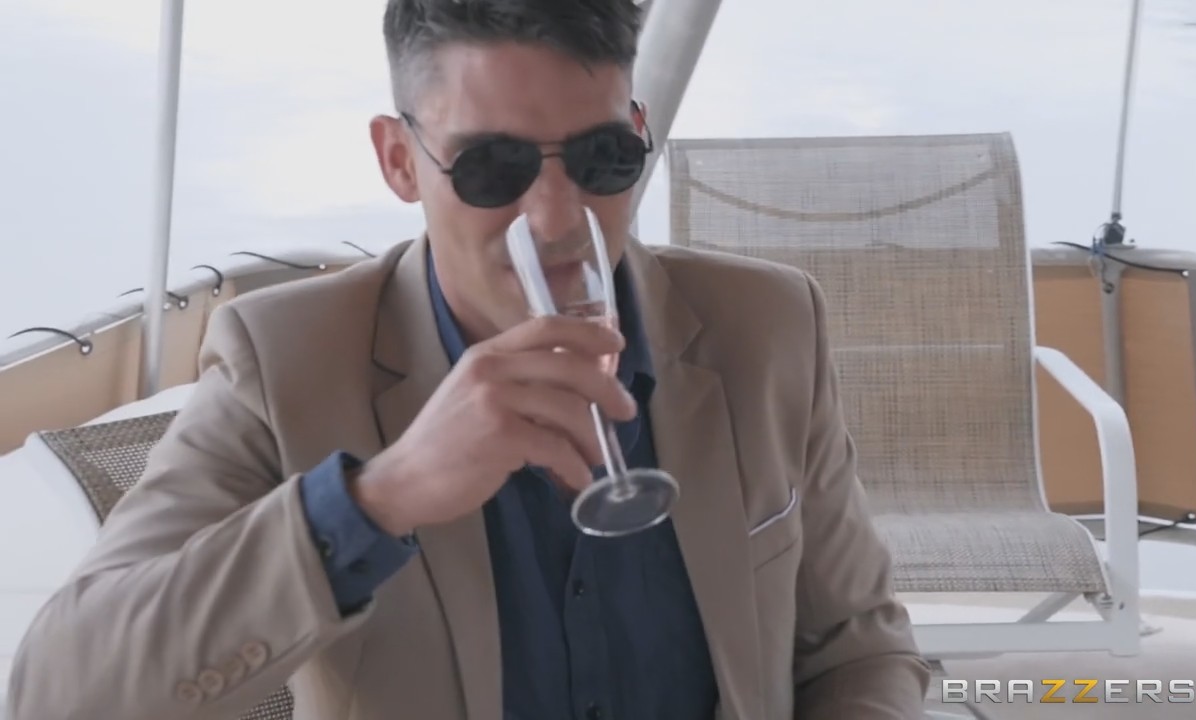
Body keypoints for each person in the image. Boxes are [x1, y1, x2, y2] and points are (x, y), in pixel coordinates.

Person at [6, 1, 930, 718]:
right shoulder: (284, 362)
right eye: (494, 168)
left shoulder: (765, 328)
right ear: (399, 161)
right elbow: (60, 695)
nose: (558, 217)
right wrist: (378, 499)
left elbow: (861, 649)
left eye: (604, 158)